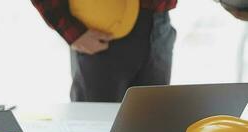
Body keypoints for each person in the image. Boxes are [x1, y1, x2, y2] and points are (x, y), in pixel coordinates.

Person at [31, 0, 177, 102]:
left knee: (154, 127)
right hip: (101, 32)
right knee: (94, 131)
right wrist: (70, 30)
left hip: (160, 22)